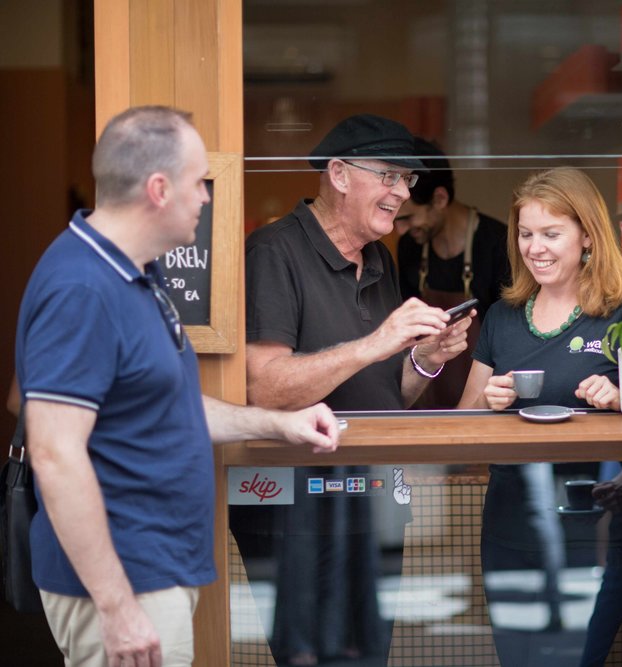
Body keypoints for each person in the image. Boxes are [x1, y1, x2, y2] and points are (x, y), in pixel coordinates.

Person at [15, 105, 341, 667]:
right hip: (122, 585)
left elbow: (170, 406)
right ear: (159, 188)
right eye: (198, 183)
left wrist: (277, 422)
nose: (207, 198)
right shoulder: (82, 288)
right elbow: (54, 453)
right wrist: (117, 608)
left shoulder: (139, 273)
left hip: (154, 571)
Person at [243, 114, 472, 666]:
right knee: (309, 654)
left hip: (374, 498)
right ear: (340, 175)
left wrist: (426, 359)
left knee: (367, 652)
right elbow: (264, 387)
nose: (401, 193)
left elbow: (388, 391)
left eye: (408, 180)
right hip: (296, 504)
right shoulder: (274, 252)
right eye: (390, 176)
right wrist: (378, 341)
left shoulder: (379, 257)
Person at [458, 167, 622, 666]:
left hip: (595, 527)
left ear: (587, 235)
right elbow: (461, 423)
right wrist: (489, 401)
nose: (535, 247)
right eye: (525, 234)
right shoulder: (503, 316)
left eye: (551, 233)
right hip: (510, 527)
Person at [394, 138, 510, 407]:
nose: (398, 230)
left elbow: (507, 337)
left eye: (407, 218)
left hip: (485, 394)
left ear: (440, 198)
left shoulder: (497, 243)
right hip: (422, 388)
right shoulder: (409, 247)